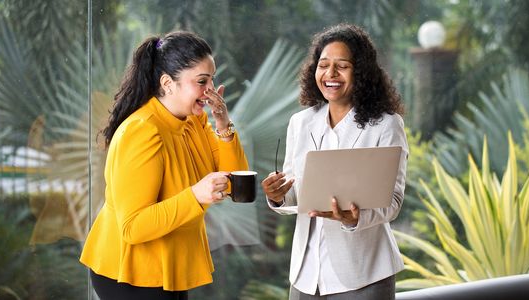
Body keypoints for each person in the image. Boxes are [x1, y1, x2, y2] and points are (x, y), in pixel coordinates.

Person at [80, 31, 248, 300]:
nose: (211, 90)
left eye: (212, 79)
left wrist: (223, 124)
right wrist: (194, 196)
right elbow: (133, 226)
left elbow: (234, 181)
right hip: (129, 273)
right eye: (202, 81)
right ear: (168, 83)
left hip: (167, 266)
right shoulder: (142, 132)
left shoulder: (193, 122)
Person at [261, 24, 408, 300]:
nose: (330, 74)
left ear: (361, 72)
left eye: (342, 66)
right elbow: (296, 191)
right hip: (306, 274)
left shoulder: (386, 125)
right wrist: (279, 196)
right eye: (323, 65)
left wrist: (356, 218)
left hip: (364, 273)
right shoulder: (301, 123)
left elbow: (393, 201)